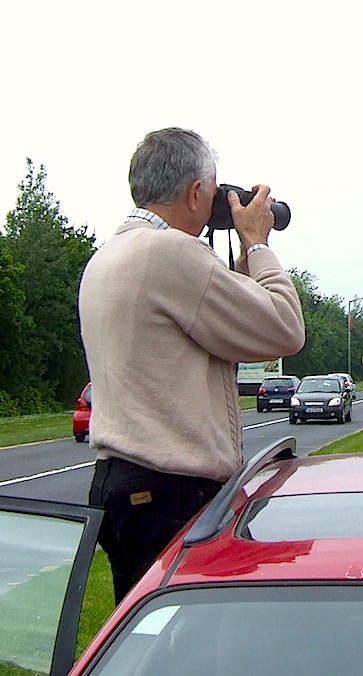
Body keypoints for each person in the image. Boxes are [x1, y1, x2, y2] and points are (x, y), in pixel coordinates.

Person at [78, 127, 306, 602]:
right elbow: (284, 329)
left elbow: (229, 326)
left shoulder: (110, 255)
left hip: (122, 487)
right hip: (169, 488)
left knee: (143, 629)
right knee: (191, 635)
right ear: (196, 191)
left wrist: (237, 262)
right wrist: (257, 244)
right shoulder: (170, 255)